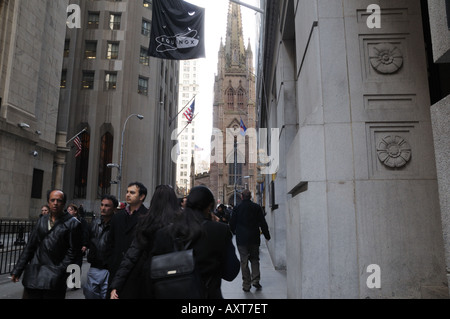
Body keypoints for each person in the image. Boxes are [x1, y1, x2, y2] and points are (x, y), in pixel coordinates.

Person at [110, 185, 240, 299]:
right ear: (210, 206)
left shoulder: (165, 232)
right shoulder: (219, 231)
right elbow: (230, 272)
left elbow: (150, 269)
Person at [10, 190, 82, 299]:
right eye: (52, 200)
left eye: (59, 200)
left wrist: (60, 271)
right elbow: (30, 246)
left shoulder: (73, 224)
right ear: (48, 202)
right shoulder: (42, 220)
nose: (55, 203)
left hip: (54, 277)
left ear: (64, 203)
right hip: (35, 274)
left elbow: (73, 252)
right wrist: (18, 269)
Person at [107, 181, 148, 298]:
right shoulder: (117, 217)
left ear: (142, 196)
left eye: (132, 192)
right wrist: (111, 262)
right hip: (116, 269)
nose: (128, 195)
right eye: (127, 192)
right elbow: (110, 242)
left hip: (137, 273)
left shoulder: (147, 217)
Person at [229, 189, 271, 292]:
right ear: (251, 196)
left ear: (242, 197)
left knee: (244, 261)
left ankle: (246, 284)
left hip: (242, 239)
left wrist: (231, 233)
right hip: (254, 238)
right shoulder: (256, 207)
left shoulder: (237, 208)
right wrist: (267, 235)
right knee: (255, 259)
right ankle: (255, 280)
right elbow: (263, 222)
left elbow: (232, 223)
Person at [83, 195, 118, 299]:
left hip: (109, 268)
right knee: (90, 294)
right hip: (94, 266)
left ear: (114, 208)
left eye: (107, 206)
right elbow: (88, 240)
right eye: (102, 205)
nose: (103, 208)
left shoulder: (117, 225)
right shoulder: (94, 223)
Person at [67, 203, 89, 268]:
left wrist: (85, 245)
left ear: (75, 211)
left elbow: (85, 232)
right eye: (67, 210)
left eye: (70, 210)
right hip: (68, 249)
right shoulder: (65, 221)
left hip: (78, 248)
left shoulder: (81, 221)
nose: (68, 212)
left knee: (76, 268)